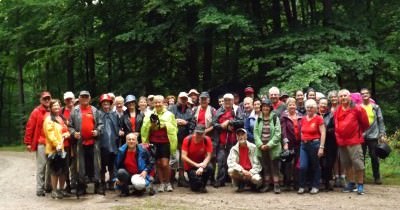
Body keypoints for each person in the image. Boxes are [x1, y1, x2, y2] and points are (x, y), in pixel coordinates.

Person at [68, 90, 104, 195]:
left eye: (86, 97)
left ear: (89, 98)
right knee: (80, 165)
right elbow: (69, 126)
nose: (84, 98)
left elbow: (101, 124)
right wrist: (74, 133)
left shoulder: (94, 110)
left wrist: (97, 131)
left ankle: (97, 185)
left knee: (96, 164)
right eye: (82, 97)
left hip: (94, 142)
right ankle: (81, 186)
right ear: (79, 98)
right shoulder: (74, 111)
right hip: (80, 143)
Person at [334, 89, 369, 195]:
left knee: (358, 163)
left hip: (354, 140)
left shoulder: (357, 109)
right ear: (339, 99)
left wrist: (358, 132)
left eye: (345, 95)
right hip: (342, 141)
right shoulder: (337, 110)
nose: (343, 98)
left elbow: (365, 123)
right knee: (346, 163)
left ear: (349, 97)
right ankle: (351, 183)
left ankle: (360, 185)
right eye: (341, 96)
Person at [141, 95, 178, 192]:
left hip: (165, 142)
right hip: (153, 142)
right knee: (157, 163)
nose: (157, 104)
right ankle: (162, 183)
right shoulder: (149, 115)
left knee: (165, 164)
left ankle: (168, 182)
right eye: (155, 102)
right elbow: (144, 129)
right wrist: (152, 126)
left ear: (163, 103)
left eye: (159, 102)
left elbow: (174, 128)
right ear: (153, 104)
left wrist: (163, 125)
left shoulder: (169, 115)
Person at [212, 93, 243, 188]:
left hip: (234, 141)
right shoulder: (219, 111)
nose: (227, 102)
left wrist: (229, 122)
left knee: (234, 161)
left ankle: (235, 181)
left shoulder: (237, 109)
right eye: (225, 100)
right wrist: (222, 126)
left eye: (229, 100)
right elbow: (214, 124)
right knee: (221, 161)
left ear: (233, 101)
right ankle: (220, 181)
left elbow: (241, 121)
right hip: (221, 141)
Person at [24, 91, 52, 196]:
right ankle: (40, 188)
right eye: (45, 99)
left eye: (48, 98)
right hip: (41, 142)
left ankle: (48, 186)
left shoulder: (53, 110)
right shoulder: (36, 111)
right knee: (42, 166)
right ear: (41, 100)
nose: (47, 100)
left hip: (52, 143)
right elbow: (29, 127)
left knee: (51, 166)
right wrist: (28, 142)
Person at [297, 99, 326, 194]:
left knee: (315, 166)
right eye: (307, 107)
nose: (309, 109)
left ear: (315, 108)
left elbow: (323, 133)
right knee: (303, 166)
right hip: (304, 145)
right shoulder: (304, 118)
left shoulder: (318, 118)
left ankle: (315, 185)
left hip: (315, 144)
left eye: (311, 107)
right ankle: (302, 185)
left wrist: (321, 147)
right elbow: (301, 131)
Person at [43, 99, 70, 199]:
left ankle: (61, 190)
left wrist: (67, 134)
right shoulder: (49, 119)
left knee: (63, 170)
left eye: (58, 106)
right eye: (54, 106)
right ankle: (54, 191)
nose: (56, 108)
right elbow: (50, 135)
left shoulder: (61, 117)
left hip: (63, 149)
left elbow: (65, 130)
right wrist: (57, 144)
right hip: (53, 149)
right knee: (55, 171)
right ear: (50, 108)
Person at [254, 98, 282, 193]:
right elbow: (256, 132)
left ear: (270, 108)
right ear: (261, 107)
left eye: (267, 106)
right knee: (265, 167)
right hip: (261, 147)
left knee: (275, 166)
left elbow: (278, 134)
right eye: (264, 106)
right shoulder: (259, 118)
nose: (265, 108)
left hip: (273, 148)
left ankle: (276, 185)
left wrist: (269, 145)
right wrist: (260, 144)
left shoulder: (275, 118)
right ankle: (266, 185)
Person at [360, 88, 386, 185]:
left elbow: (381, 120)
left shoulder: (375, 107)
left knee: (374, 157)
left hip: (373, 136)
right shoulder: (359, 107)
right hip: (361, 136)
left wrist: (382, 134)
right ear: (361, 96)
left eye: (366, 93)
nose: (364, 95)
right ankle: (361, 177)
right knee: (361, 157)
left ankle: (377, 177)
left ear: (369, 95)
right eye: (362, 94)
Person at [168, 92, 194, 187]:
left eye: (184, 99)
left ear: (187, 100)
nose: (183, 100)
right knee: (173, 159)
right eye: (181, 98)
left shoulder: (189, 111)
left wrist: (186, 123)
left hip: (185, 138)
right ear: (178, 98)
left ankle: (181, 178)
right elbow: (166, 121)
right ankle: (170, 179)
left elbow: (192, 123)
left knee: (182, 159)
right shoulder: (171, 108)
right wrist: (175, 121)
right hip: (173, 137)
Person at [98, 93, 123, 191]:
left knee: (112, 165)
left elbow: (118, 126)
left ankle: (112, 182)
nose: (106, 106)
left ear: (111, 104)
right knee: (102, 165)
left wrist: (120, 131)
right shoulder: (98, 115)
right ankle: (102, 182)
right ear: (101, 105)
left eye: (108, 104)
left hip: (113, 143)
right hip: (102, 144)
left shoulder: (114, 115)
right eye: (104, 104)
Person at [227, 128, 262, 192]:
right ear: (236, 137)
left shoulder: (253, 147)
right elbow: (231, 162)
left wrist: (250, 172)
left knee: (257, 179)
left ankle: (252, 185)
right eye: (239, 135)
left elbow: (258, 164)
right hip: (241, 172)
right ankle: (240, 184)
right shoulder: (233, 149)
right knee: (231, 170)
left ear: (246, 136)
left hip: (251, 172)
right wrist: (242, 170)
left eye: (242, 135)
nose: (241, 137)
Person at [181, 125, 213, 193]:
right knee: (195, 187)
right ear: (194, 132)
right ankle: (196, 183)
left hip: (201, 163)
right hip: (190, 166)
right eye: (197, 133)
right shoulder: (187, 139)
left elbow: (208, 156)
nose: (199, 135)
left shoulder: (207, 140)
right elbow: (183, 156)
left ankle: (203, 185)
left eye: (201, 133)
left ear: (204, 133)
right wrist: (196, 165)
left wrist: (202, 165)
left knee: (210, 167)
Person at [280, 97, 303, 190]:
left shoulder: (301, 116)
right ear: (287, 106)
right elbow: (283, 130)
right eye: (290, 105)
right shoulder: (284, 116)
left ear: (296, 105)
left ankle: (296, 183)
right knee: (288, 164)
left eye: (293, 104)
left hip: (299, 143)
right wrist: (285, 142)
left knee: (298, 163)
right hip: (289, 143)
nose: (292, 106)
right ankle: (287, 182)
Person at [318, 97, 336, 191]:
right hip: (317, 142)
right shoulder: (315, 114)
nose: (323, 105)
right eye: (322, 103)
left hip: (330, 142)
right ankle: (320, 181)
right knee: (320, 163)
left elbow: (335, 128)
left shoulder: (332, 115)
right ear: (318, 104)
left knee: (329, 163)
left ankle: (327, 182)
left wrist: (325, 130)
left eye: (325, 104)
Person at [61, 91, 75, 193]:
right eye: (67, 99)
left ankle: (76, 182)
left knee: (76, 164)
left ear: (74, 99)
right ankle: (68, 184)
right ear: (64, 100)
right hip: (65, 142)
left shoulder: (78, 110)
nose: (69, 101)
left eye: (71, 99)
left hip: (76, 141)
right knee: (65, 164)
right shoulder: (61, 112)